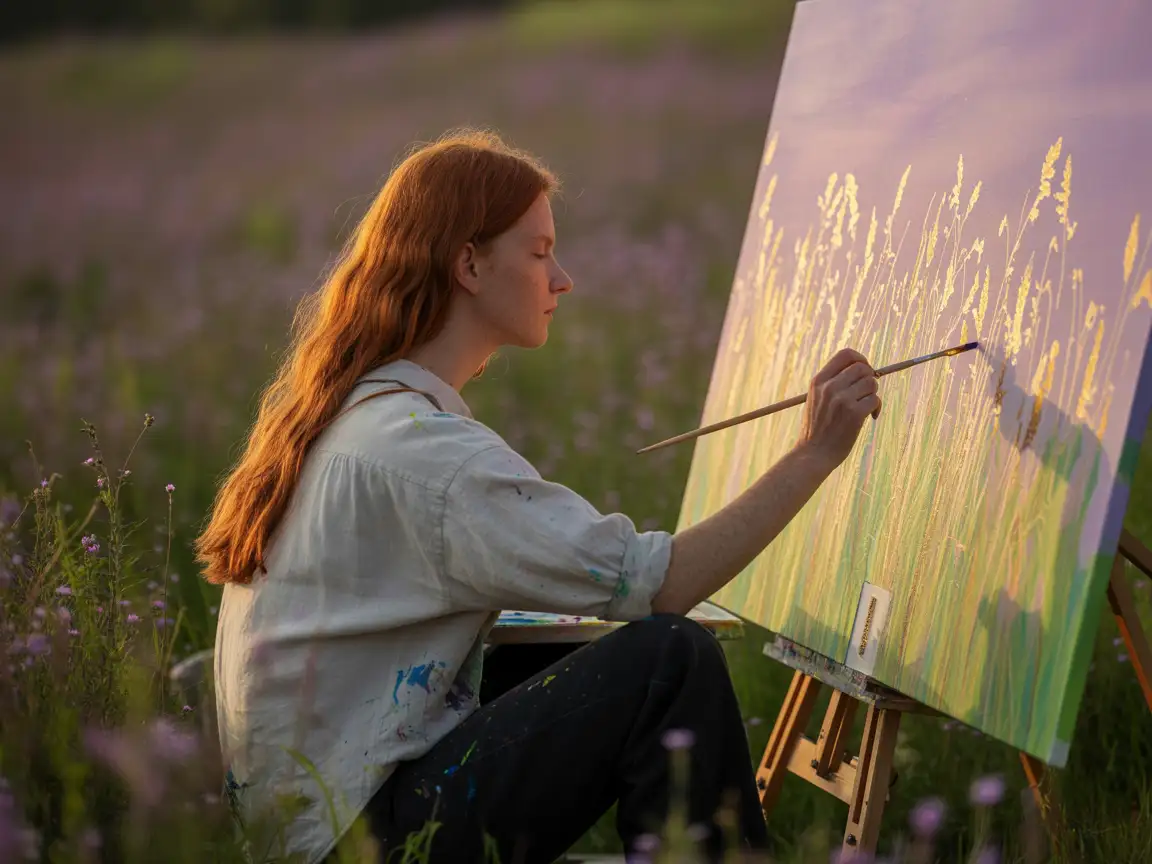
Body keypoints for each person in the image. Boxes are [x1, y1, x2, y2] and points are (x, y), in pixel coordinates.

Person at [195, 127, 883, 864]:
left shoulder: (362, 418)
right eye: (539, 251)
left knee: (551, 655)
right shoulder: (424, 454)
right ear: (468, 263)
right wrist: (815, 453)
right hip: (362, 844)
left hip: (321, 829)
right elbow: (663, 585)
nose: (563, 279)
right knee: (669, 660)